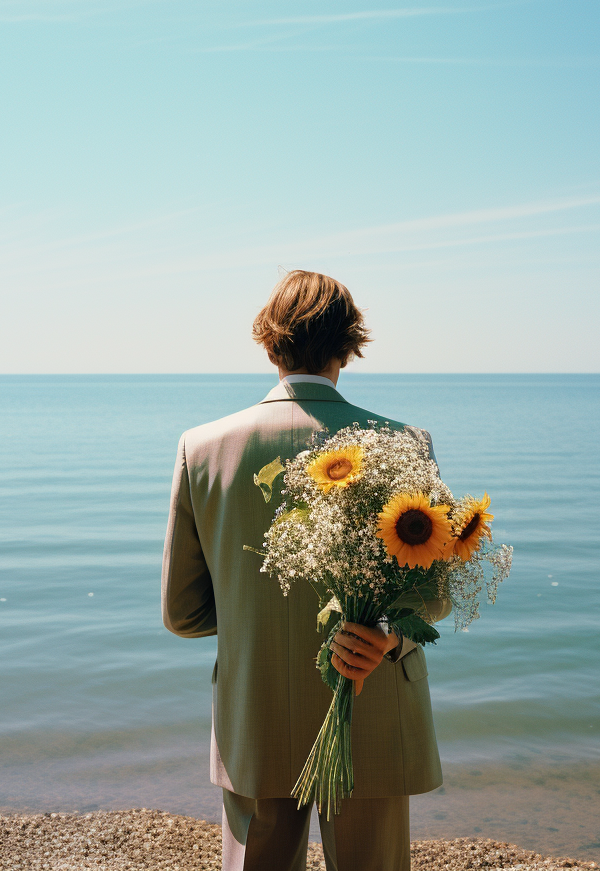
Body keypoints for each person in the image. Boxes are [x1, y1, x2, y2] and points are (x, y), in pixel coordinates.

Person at [161, 270, 450, 871]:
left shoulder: (204, 447)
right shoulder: (405, 443)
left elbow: (183, 613)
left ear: (270, 345)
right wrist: (385, 637)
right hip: (372, 703)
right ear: (350, 345)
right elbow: (436, 594)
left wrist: (254, 619)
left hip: (255, 710)